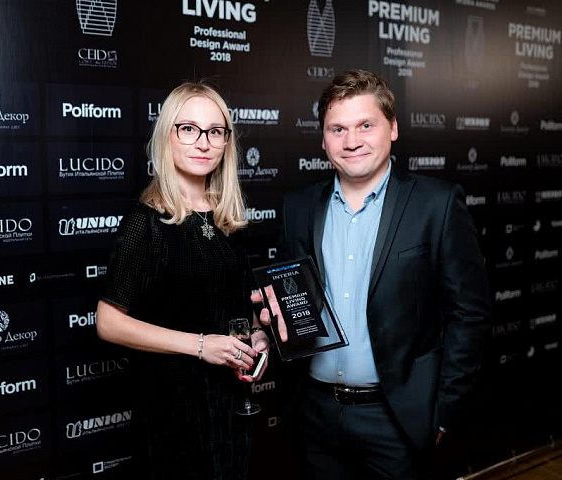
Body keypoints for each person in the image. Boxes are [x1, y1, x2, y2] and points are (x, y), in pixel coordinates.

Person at [254, 69, 492, 479]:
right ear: (323, 139)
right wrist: (271, 324)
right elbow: (294, 304)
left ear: (393, 128)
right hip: (314, 414)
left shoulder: (436, 204)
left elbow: (469, 314)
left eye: (366, 125)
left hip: (398, 419)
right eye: (338, 129)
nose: (351, 141)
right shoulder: (299, 206)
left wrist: (443, 412)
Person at [96, 81, 269, 480]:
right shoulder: (145, 222)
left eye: (215, 131)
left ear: (226, 142)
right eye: (189, 128)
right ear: (167, 136)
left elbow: (237, 306)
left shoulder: (227, 221)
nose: (203, 142)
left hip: (229, 408)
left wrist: (258, 338)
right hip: (173, 412)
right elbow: (108, 323)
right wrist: (202, 346)